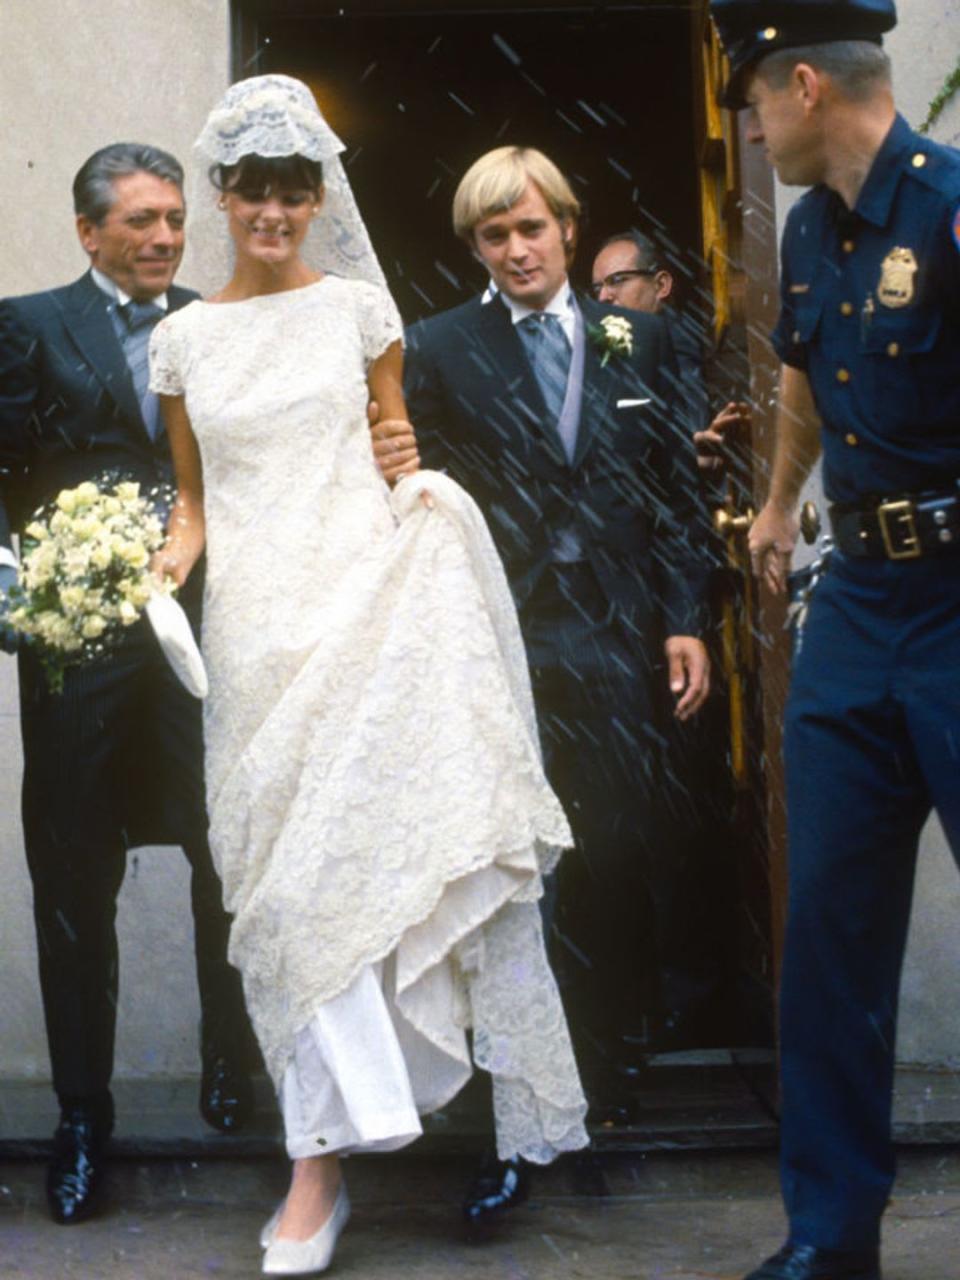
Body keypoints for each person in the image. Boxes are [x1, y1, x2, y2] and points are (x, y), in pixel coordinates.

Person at [148, 75, 588, 1277]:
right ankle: (320, 1158)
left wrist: (419, 492)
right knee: (277, 895)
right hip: (254, 631)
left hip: (358, 603)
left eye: (295, 189)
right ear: (224, 197)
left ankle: (319, 1159)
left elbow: (395, 445)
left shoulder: (360, 310)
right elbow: (192, 500)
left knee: (355, 869)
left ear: (316, 196)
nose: (275, 211)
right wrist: (148, 567)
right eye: (254, 192)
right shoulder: (180, 340)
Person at [405, 145, 711, 1223]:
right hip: (502, 642)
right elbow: (420, 503)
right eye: (494, 236)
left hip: (622, 638)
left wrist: (685, 618)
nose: (516, 249)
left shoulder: (649, 337)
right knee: (515, 875)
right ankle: (519, 1104)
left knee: (619, 848)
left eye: (531, 228)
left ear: (569, 230)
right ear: (476, 247)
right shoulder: (440, 348)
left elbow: (677, 491)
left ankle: (607, 1079)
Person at [710, 2, 960, 1278]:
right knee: (831, 940)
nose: (749, 125)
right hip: (859, 607)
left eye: (754, 98)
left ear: (805, 85)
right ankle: (830, 1235)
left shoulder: (955, 207)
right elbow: (803, 371)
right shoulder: (811, 228)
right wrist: (774, 497)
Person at [0, 143, 255, 1225]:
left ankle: (231, 1063)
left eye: (174, 222)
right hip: (80, 659)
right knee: (74, 889)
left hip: (208, 649)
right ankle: (82, 1117)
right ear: (88, 229)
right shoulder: (26, 325)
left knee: (226, 858)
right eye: (142, 221)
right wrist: (17, 597)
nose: (163, 240)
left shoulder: (215, 323)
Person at [591, 229, 750, 470]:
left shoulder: (676, 345)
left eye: (617, 280)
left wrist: (686, 452)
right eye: (596, 289)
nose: (603, 296)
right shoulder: (608, 351)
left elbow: (690, 432)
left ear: (661, 285)